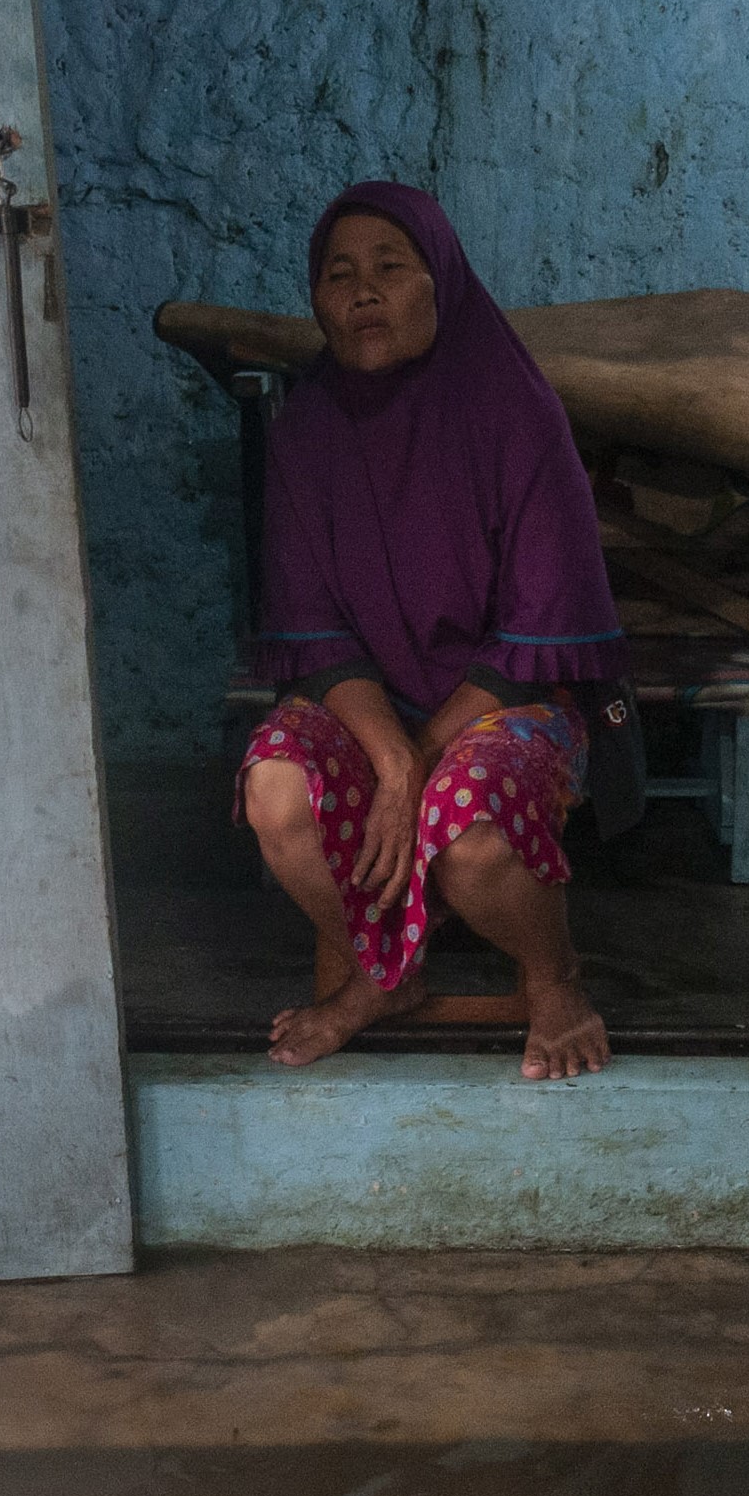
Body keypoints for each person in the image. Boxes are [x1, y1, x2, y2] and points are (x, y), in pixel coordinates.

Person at [239, 183, 622, 1078]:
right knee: (276, 793)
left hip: (505, 699)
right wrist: (395, 759)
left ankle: (556, 979)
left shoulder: (514, 415)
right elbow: (317, 632)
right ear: (318, 300)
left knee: (473, 833)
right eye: (339, 276)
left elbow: (537, 630)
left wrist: (424, 760)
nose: (363, 292)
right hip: (375, 705)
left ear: (439, 282)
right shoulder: (306, 431)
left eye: (389, 268)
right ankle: (386, 970)